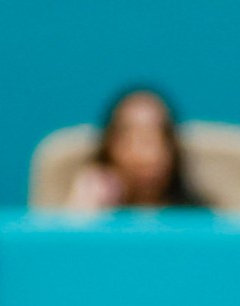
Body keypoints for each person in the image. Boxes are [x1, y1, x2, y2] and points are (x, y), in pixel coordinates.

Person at [64, 87, 209, 215]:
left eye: (156, 138)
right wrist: (81, 215)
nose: (146, 155)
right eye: (129, 139)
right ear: (108, 147)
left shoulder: (200, 219)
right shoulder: (92, 214)